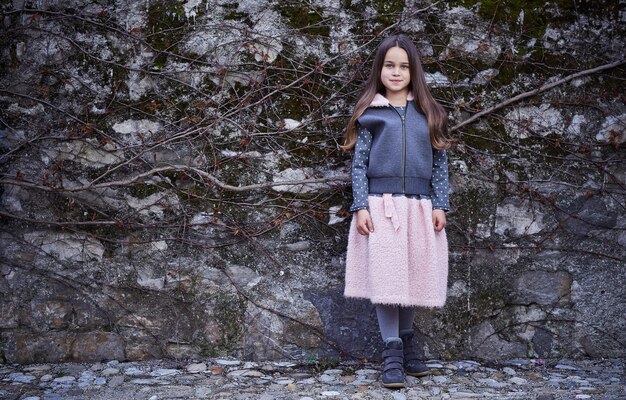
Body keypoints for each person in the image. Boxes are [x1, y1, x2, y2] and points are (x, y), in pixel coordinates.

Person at [342, 34, 451, 389]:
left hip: (419, 208)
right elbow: (358, 166)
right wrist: (360, 206)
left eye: (404, 66)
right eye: (390, 65)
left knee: (412, 275)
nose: (396, 72)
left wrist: (440, 204)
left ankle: (407, 344)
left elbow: (440, 163)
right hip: (381, 207)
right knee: (388, 279)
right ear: (380, 69)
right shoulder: (371, 115)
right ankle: (391, 352)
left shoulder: (428, 114)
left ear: (414, 71)